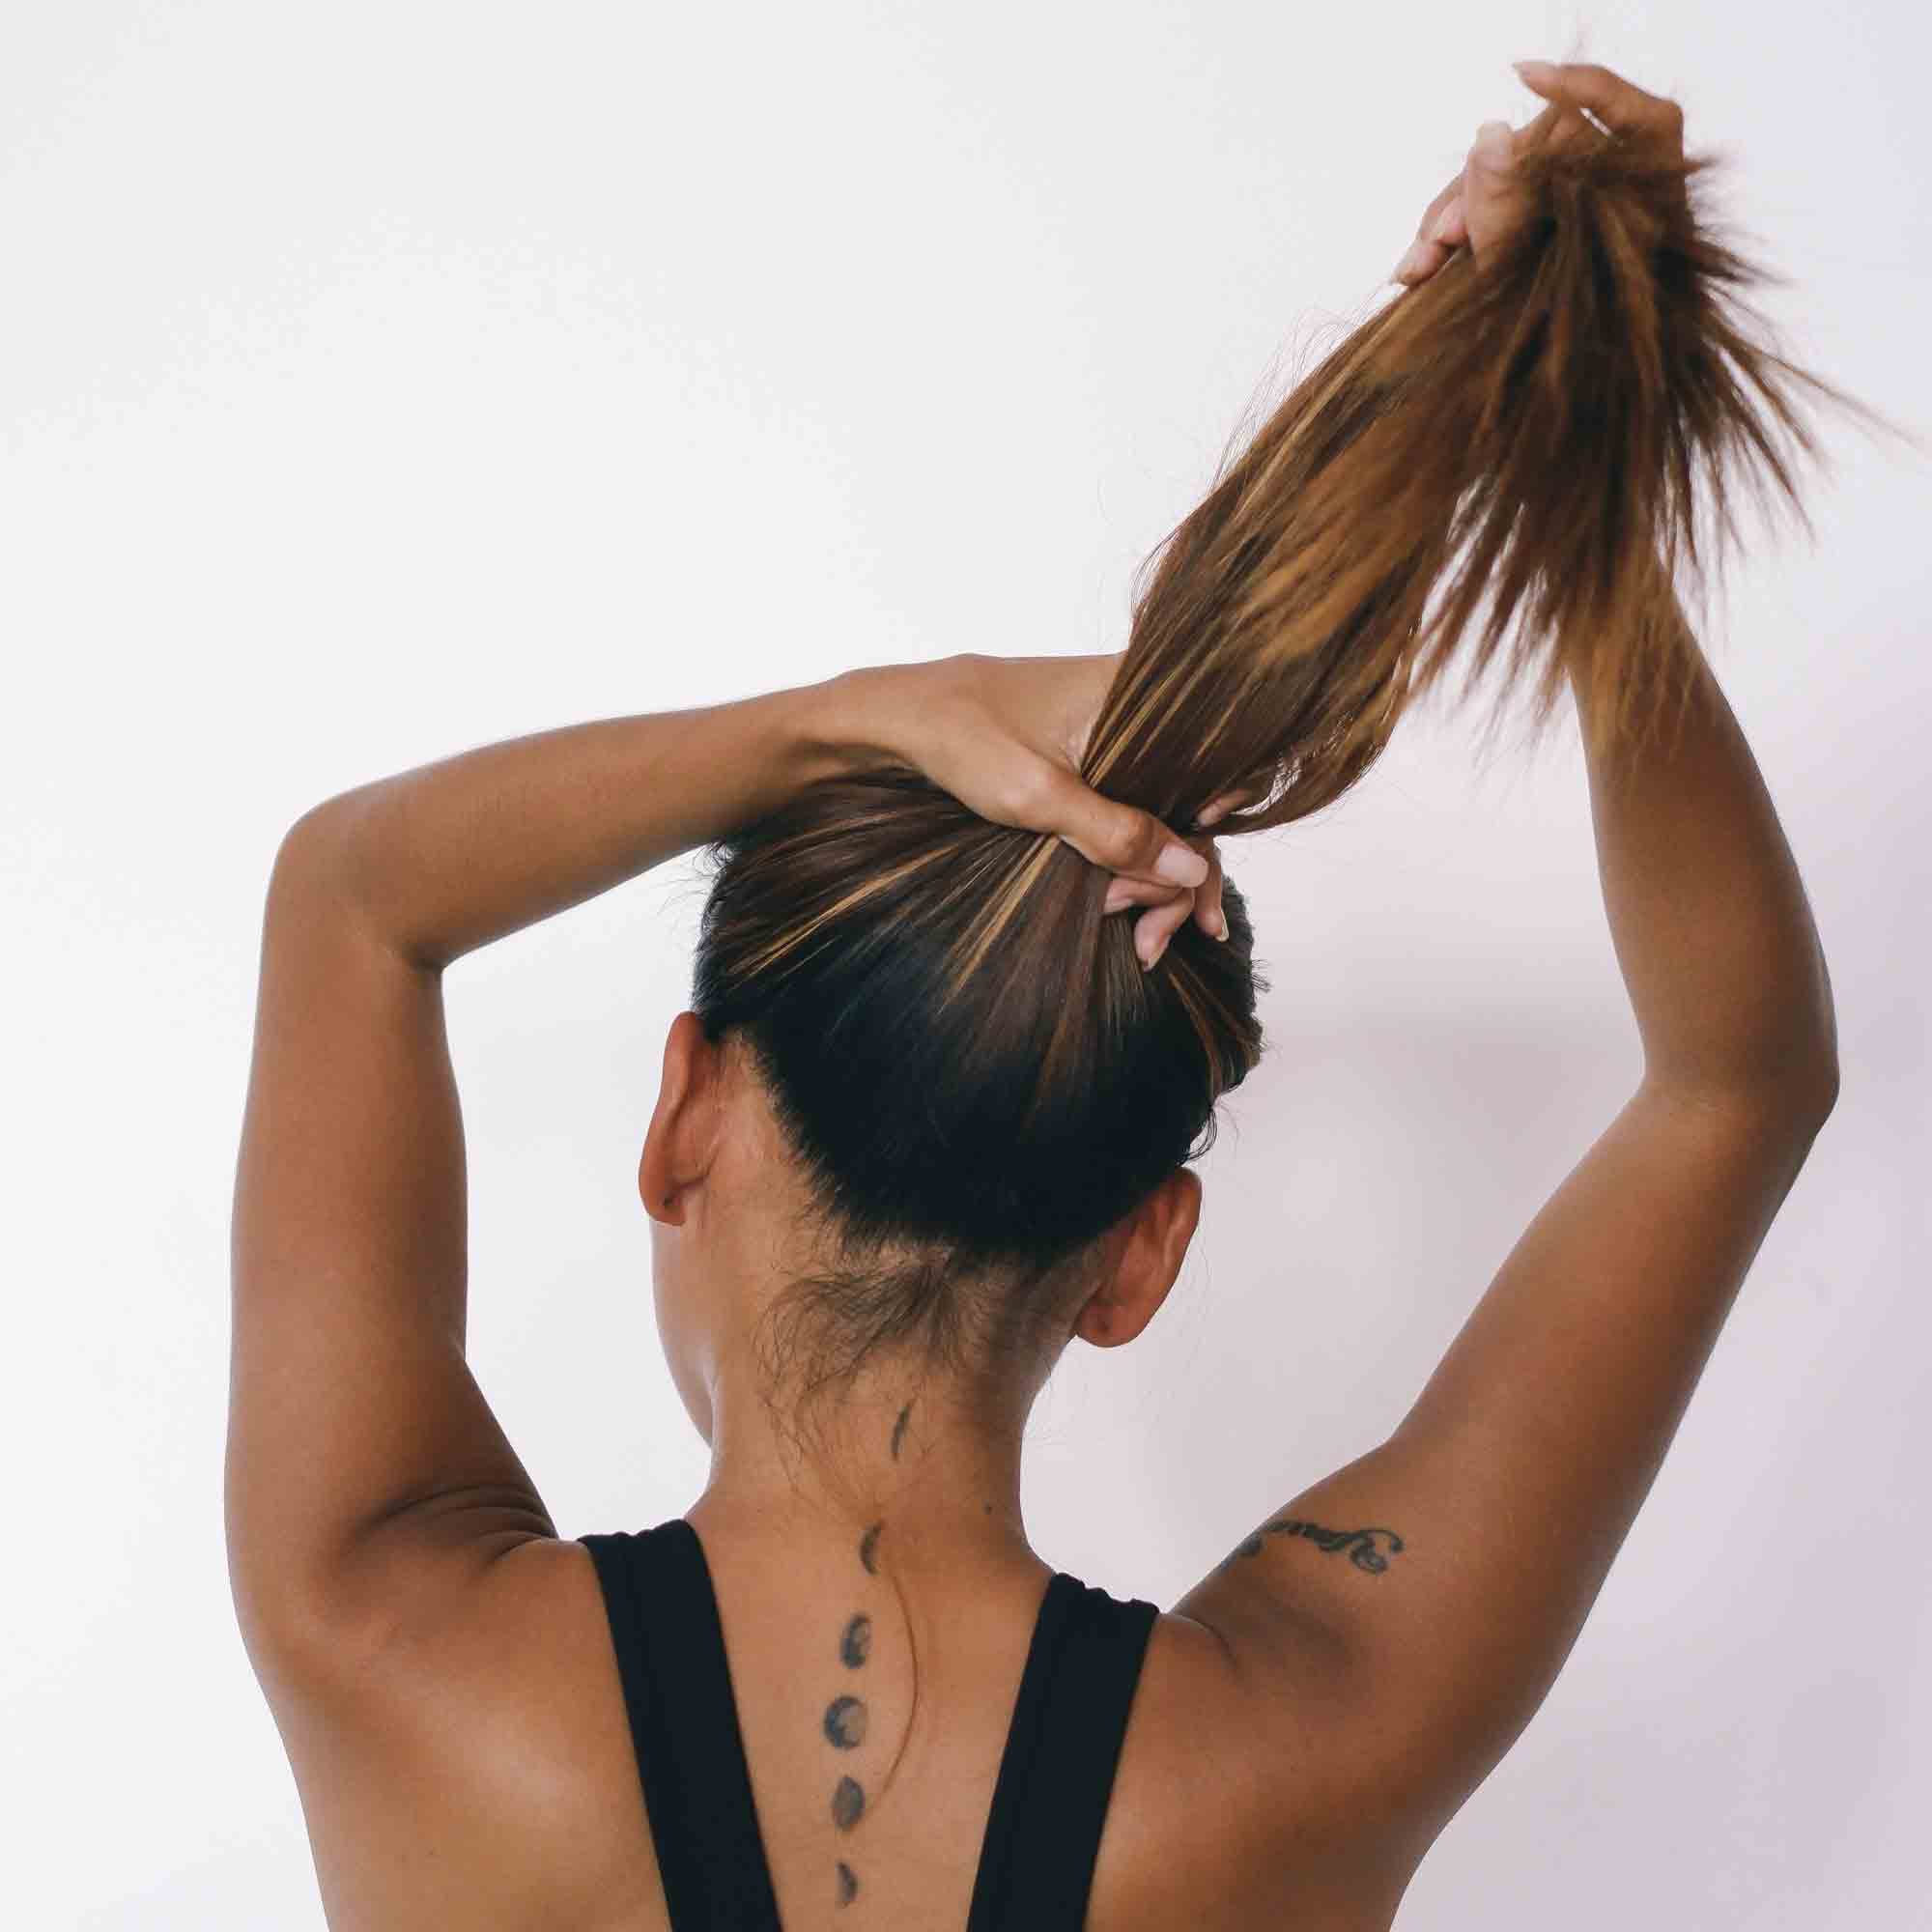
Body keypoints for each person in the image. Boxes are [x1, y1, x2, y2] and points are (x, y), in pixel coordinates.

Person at [229, 60, 1851, 1931]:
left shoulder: (398, 1648)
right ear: (1142, 1254)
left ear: (684, 1116)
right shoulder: (1298, 1749)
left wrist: (848, 716)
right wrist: (1587, 504)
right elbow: (1738, 1080)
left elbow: (355, 899)